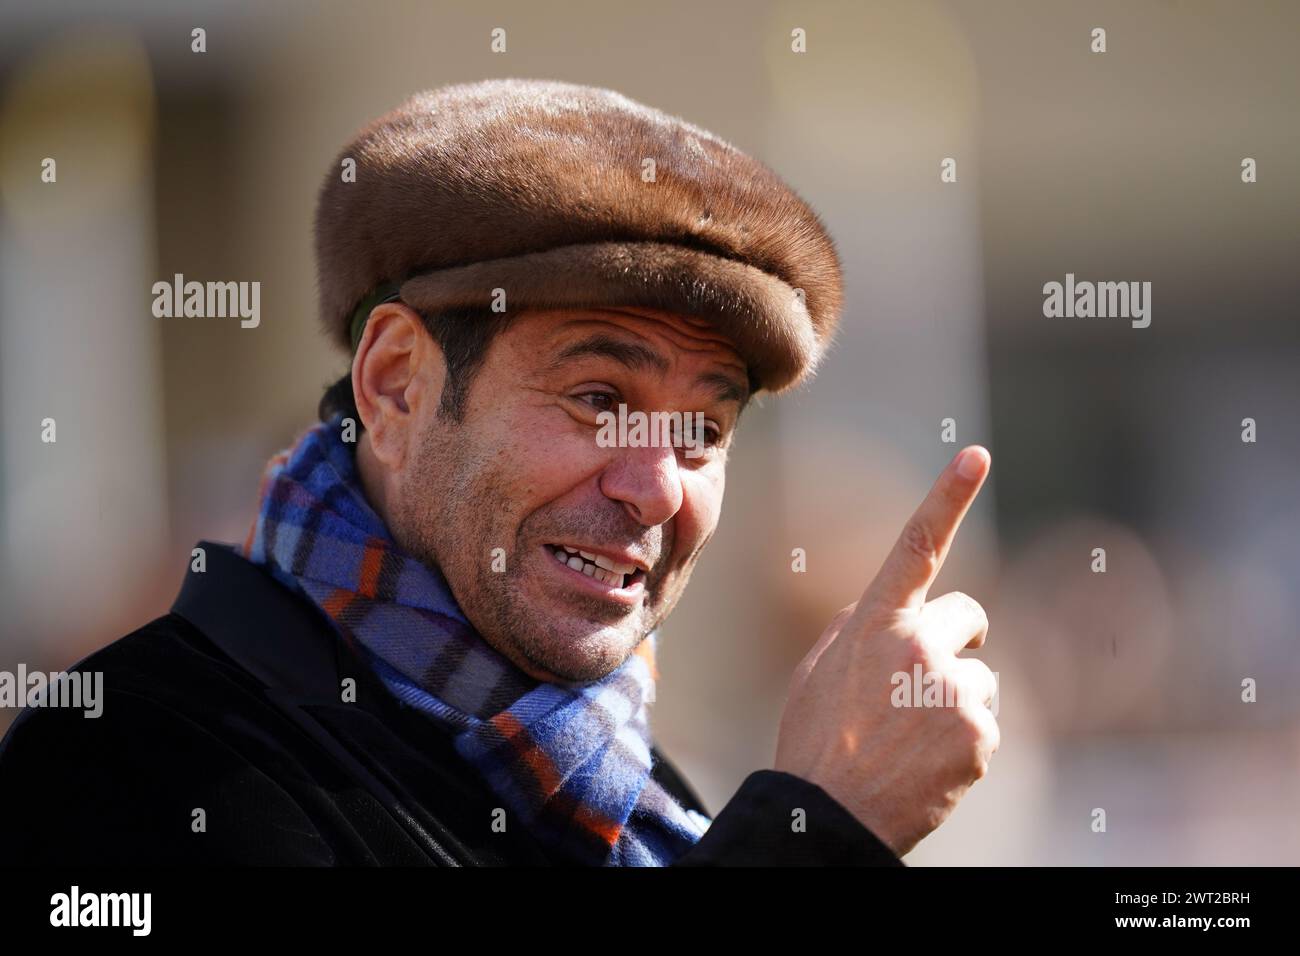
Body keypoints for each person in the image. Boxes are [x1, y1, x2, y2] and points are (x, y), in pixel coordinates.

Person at [0, 78, 998, 866]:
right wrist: (822, 829)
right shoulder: (127, 761)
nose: (655, 488)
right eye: (599, 399)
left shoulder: (623, 785)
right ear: (393, 387)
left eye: (703, 426)